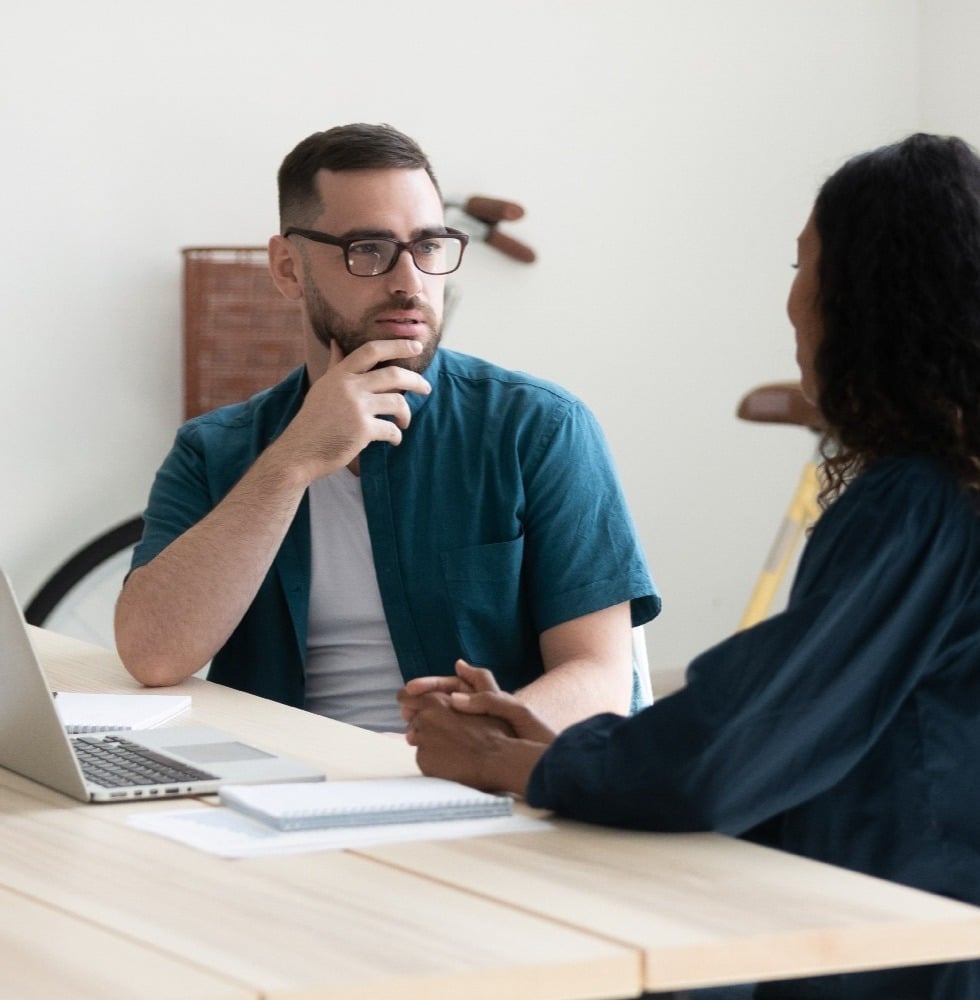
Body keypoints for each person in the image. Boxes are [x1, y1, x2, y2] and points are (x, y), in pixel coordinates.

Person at [406, 132, 980, 999]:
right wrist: (568, 748)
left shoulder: (919, 503)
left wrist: (508, 763)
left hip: (896, 942)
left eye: (803, 264)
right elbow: (778, 722)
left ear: (871, 300)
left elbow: (730, 752)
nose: (792, 304)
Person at [114, 123, 659, 734]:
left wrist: (464, 748)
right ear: (289, 269)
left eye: (428, 247)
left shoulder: (538, 428)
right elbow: (152, 655)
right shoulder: (215, 450)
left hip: (474, 786)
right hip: (274, 788)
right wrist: (291, 462)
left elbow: (600, 680)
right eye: (368, 250)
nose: (410, 283)